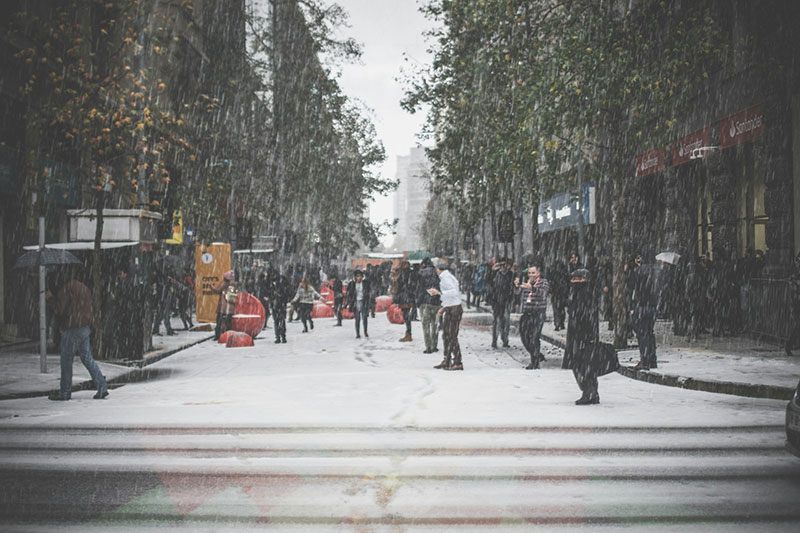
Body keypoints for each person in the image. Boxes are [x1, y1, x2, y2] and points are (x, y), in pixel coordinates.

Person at [47, 273, 109, 401]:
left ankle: (65, 392)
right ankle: (102, 387)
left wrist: (50, 299)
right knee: (87, 358)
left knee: (66, 359)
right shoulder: (83, 287)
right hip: (85, 327)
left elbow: (60, 309)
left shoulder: (67, 289)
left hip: (73, 327)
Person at [566, 268, 601, 405]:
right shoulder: (580, 293)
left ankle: (589, 391)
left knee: (582, 364)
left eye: (576, 279)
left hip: (582, 335)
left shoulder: (584, 294)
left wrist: (590, 334)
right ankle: (591, 391)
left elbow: (587, 315)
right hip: (580, 333)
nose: (573, 282)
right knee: (585, 364)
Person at [431, 261, 463, 371]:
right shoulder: (447, 277)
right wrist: (443, 307)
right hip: (451, 307)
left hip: (454, 309)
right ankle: (448, 359)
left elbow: (453, 293)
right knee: (447, 334)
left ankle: (457, 361)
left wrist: (439, 293)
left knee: (451, 335)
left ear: (438, 269)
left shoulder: (446, 278)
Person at [629, 252, 659, 370]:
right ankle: (652, 359)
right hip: (652, 306)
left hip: (640, 305)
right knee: (649, 333)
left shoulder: (637, 272)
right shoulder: (656, 272)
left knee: (642, 334)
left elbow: (632, 289)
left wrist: (632, 306)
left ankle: (645, 359)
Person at [516, 265, 550, 369]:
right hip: (527, 313)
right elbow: (518, 294)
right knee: (525, 337)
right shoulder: (527, 283)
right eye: (529, 273)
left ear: (538, 273)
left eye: (533, 273)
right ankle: (537, 355)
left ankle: (534, 363)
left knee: (534, 338)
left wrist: (532, 288)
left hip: (538, 313)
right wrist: (517, 286)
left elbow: (543, 293)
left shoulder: (543, 282)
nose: (531, 275)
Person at [416, 257, 441, 354]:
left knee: (425, 325)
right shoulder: (437, 273)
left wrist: (418, 301)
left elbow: (419, 288)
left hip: (425, 302)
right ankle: (434, 345)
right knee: (435, 325)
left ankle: (428, 346)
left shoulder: (421, 273)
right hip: (436, 301)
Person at [489, 257, 515, 348]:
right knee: (496, 321)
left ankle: (505, 340)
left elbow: (513, 287)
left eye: (504, 265)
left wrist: (514, 300)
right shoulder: (495, 274)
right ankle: (494, 341)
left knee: (506, 321)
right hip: (496, 301)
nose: (503, 267)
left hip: (506, 301)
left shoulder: (511, 275)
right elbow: (489, 284)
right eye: (501, 265)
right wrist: (492, 271)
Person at [393, 261, 415, 342]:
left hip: (403, 297)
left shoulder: (401, 274)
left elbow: (398, 287)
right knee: (407, 316)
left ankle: (408, 334)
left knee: (406, 316)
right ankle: (408, 333)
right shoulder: (411, 273)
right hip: (409, 297)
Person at [210, 270, 236, 340]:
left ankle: (217, 335)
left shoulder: (224, 284)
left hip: (223, 307)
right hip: (230, 307)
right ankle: (229, 335)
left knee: (219, 321)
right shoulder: (232, 284)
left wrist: (211, 286)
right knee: (229, 322)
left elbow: (217, 291)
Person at [346, 269, 371, 338]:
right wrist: (348, 302)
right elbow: (349, 294)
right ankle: (357, 333)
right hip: (356, 302)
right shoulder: (352, 284)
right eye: (357, 276)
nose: (359, 278)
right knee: (357, 319)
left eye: (360, 276)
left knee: (364, 317)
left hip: (363, 301)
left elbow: (369, 292)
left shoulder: (366, 283)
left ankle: (365, 331)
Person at [270, 268, 292, 344]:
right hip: (276, 304)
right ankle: (279, 336)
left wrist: (280, 295)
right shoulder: (272, 283)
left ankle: (281, 336)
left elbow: (287, 291)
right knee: (277, 321)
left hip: (280, 303)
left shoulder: (281, 282)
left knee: (280, 320)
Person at [786, 252, 800, 357]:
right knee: (797, 325)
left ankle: (790, 345)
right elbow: (792, 283)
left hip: (796, 300)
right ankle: (789, 345)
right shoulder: (795, 271)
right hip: (797, 301)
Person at [550, 261, 569, 331]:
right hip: (562, 294)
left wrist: (551, 291)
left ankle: (557, 324)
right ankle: (561, 323)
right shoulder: (565, 273)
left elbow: (551, 283)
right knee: (561, 309)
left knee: (556, 310)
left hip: (556, 294)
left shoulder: (554, 273)